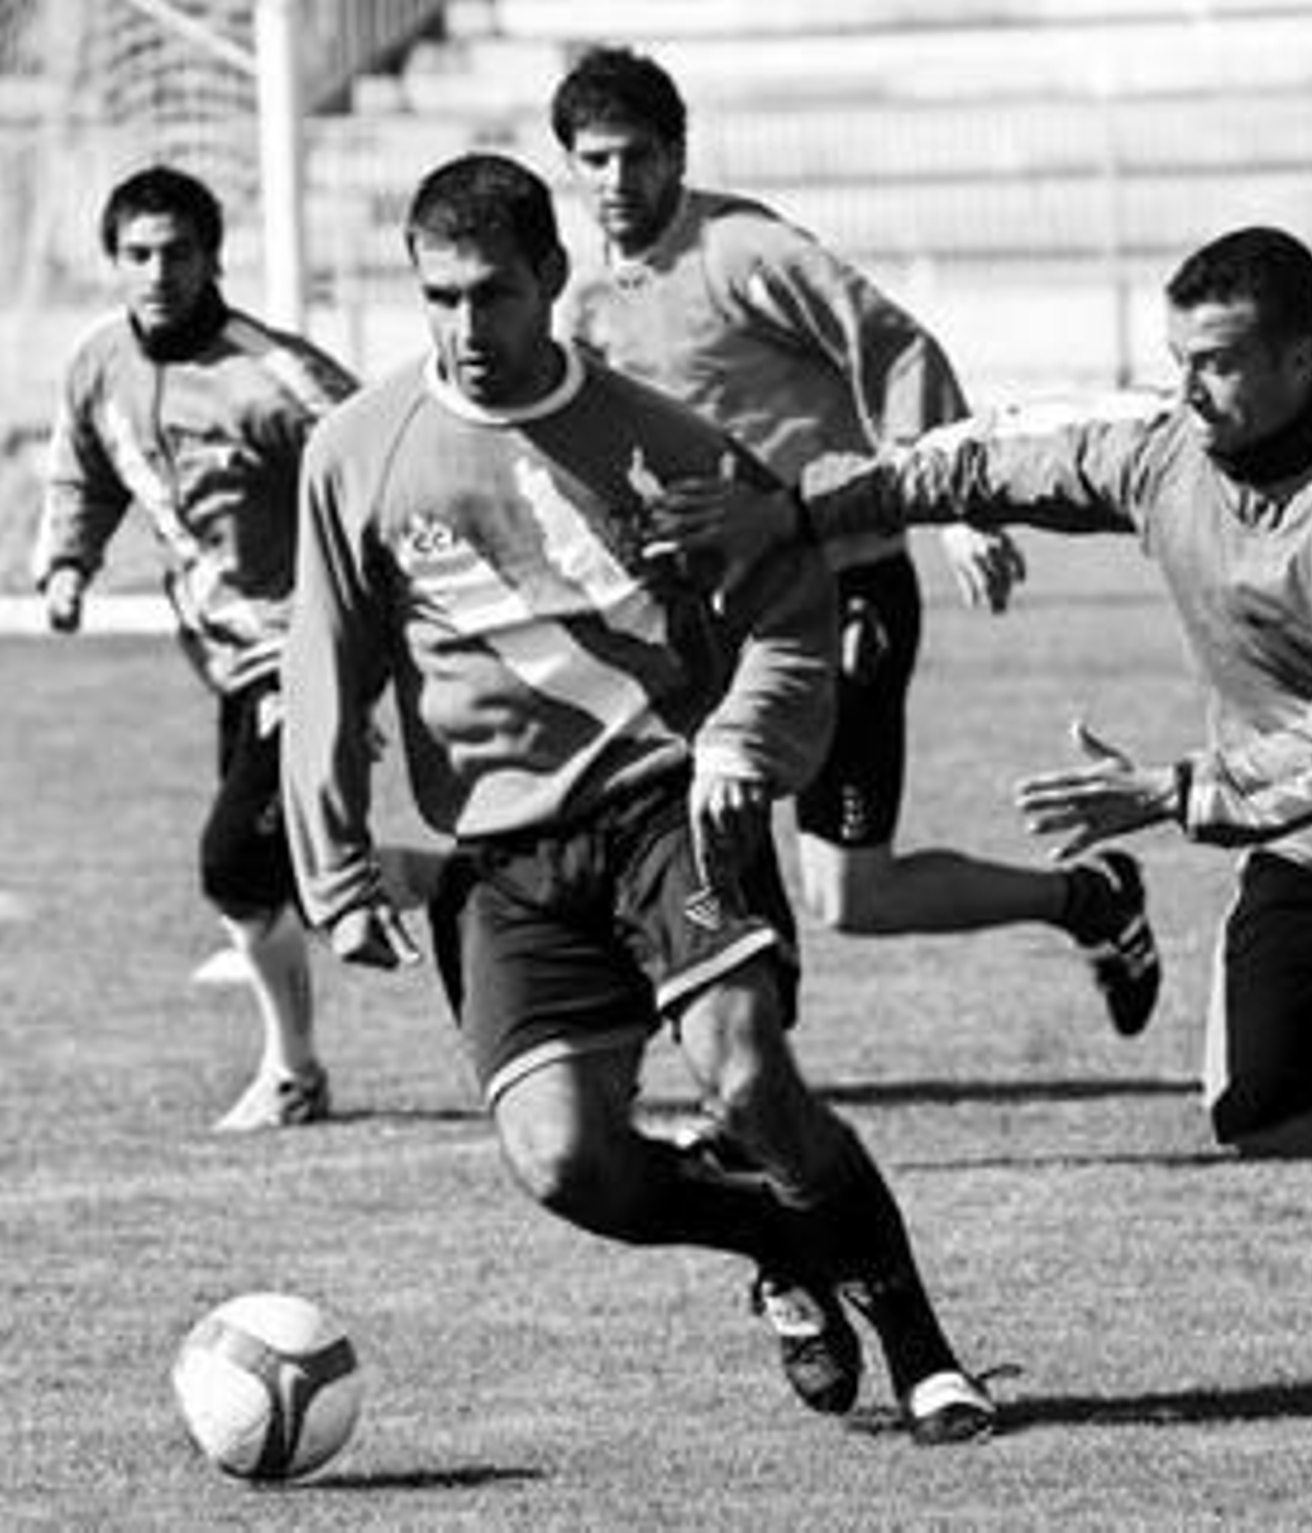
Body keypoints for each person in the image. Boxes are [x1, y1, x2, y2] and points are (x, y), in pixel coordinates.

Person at [648, 225, 1312, 1415]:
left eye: (1220, 361)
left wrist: (1175, 792)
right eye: (1178, 357)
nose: (1190, 386)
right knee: (1259, 1111)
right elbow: (973, 460)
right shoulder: (1162, 448)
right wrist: (789, 514)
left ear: (1303, 355)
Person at [279, 151, 995, 1445]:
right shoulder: (356, 454)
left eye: (493, 293)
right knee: (565, 1163)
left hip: (670, 803)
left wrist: (743, 741)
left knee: (746, 1076)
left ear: (552, 278)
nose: (466, 325)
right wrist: (333, 877)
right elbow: (323, 667)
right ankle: (775, 1237)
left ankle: (925, 1354)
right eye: (440, 295)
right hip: (506, 859)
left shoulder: (661, 443)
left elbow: (791, 609)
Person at [548, 46, 1160, 1038]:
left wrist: (955, 506)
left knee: (851, 891)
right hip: (719, 621)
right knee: (724, 828)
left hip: (846, 588)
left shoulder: (743, 253)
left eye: (638, 156)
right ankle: (747, 1051)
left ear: (676, 154)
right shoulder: (587, 306)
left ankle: (1088, 899)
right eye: (595, 159)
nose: (618, 179)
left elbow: (896, 349)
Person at [34, 164, 358, 1132]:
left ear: (213, 257)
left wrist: (365, 633)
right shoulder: (100, 365)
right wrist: (68, 563)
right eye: (138, 253)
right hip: (225, 657)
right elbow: (84, 469)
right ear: (113, 260)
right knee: (280, 872)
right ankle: (476, 877)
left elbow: (377, 468)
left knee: (232, 865)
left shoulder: (277, 376)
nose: (158, 272)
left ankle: (292, 1071)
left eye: (177, 251)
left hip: (306, 653)